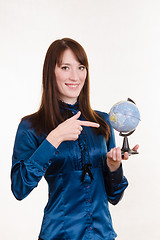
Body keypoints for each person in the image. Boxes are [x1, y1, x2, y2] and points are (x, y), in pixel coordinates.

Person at [11, 38, 139, 240]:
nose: (75, 76)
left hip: (102, 235)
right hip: (59, 234)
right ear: (50, 72)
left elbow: (114, 197)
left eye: (81, 67)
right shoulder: (31, 126)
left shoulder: (102, 122)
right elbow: (19, 188)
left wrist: (114, 168)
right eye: (65, 67)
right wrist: (54, 138)